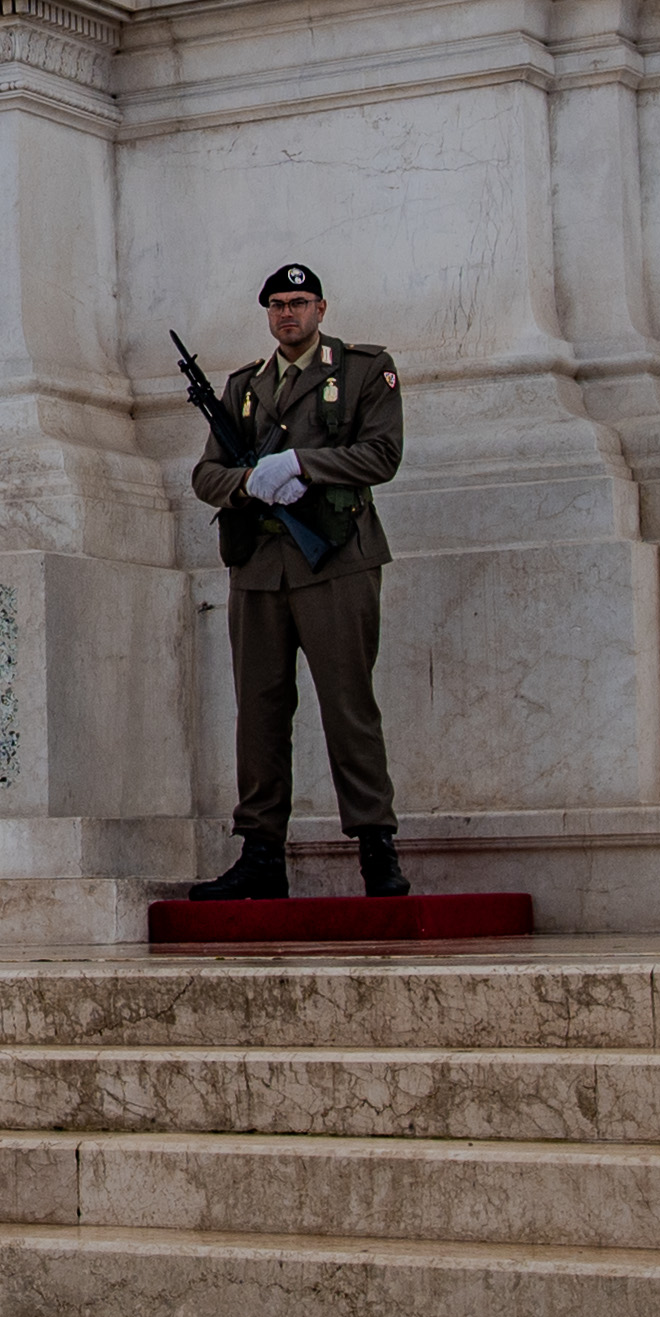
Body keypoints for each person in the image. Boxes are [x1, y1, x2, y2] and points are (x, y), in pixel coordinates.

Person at [178, 262, 405, 901]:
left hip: (334, 560)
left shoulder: (363, 370)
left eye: (300, 303)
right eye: (277, 304)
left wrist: (303, 462)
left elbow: (382, 455)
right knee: (260, 713)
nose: (288, 314)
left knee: (348, 706)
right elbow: (205, 476)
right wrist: (249, 481)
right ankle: (260, 855)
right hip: (259, 567)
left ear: (322, 309)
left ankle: (376, 851)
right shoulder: (244, 387)